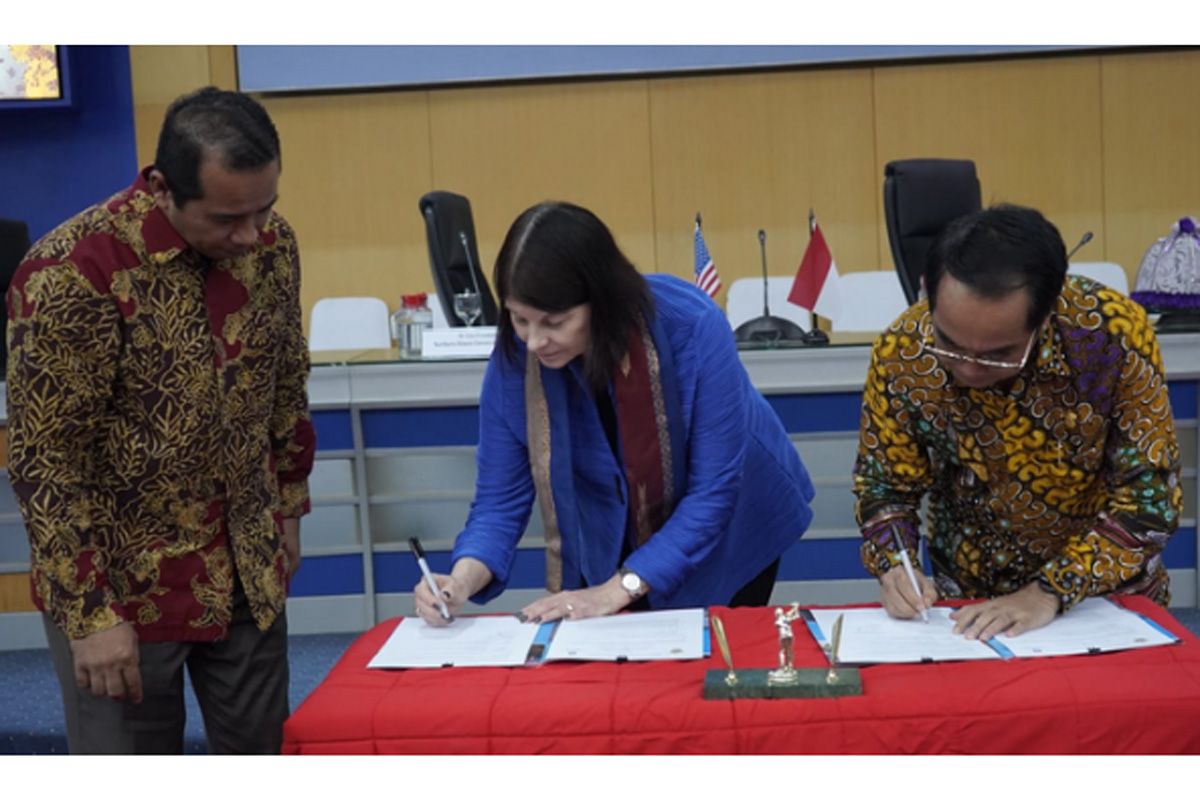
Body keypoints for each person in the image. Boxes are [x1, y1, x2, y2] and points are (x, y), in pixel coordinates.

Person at [6, 87, 314, 754]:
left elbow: (285, 378)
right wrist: (89, 617)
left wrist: (288, 504)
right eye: (229, 218)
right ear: (162, 188)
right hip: (121, 588)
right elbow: (45, 462)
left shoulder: (271, 246)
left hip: (243, 567)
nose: (251, 235)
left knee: (266, 757)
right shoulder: (73, 273)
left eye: (265, 209)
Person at [413, 201, 815, 625]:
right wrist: (460, 580)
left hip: (732, 525)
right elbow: (499, 500)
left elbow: (713, 492)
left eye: (555, 321)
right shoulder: (516, 359)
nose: (534, 341)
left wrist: (615, 590)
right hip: (616, 523)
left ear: (600, 301)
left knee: (705, 663)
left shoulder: (693, 325)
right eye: (519, 319)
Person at [854, 203, 1181, 641]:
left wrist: (1049, 591)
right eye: (950, 344)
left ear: (1044, 319)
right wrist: (897, 564)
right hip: (968, 614)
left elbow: (1150, 501)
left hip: (1103, 607)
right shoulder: (903, 353)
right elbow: (886, 487)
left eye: (997, 355)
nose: (969, 368)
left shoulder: (1112, 337)